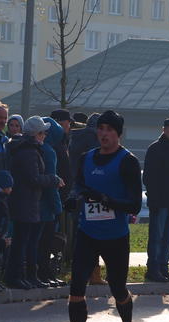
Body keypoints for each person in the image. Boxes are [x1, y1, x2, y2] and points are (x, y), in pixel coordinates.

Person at [59, 110, 142, 322]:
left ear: (118, 134)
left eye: (109, 130)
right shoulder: (87, 158)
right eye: (101, 129)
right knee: (76, 289)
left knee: (118, 289)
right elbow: (79, 186)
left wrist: (106, 200)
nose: (104, 134)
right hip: (88, 233)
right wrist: (73, 198)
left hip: (115, 237)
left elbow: (135, 205)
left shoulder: (128, 161)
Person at [5, 116, 63, 289]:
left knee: (24, 242)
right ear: (35, 134)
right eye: (42, 132)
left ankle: (24, 276)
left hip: (26, 201)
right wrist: (53, 179)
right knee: (22, 243)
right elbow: (33, 178)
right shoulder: (30, 152)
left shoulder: (27, 149)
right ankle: (16, 276)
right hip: (26, 202)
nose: (44, 135)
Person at [142, 117, 169, 282]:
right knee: (157, 237)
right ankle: (153, 269)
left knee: (168, 238)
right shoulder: (156, 148)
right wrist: (155, 198)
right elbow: (148, 178)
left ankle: (163, 268)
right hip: (160, 203)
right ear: (164, 130)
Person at [68, 112, 106, 285]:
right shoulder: (95, 141)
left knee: (80, 235)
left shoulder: (75, 138)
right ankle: (94, 274)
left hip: (77, 191)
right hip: (92, 193)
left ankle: (79, 272)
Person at [37, 117, 65, 287]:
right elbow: (52, 182)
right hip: (47, 206)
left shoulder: (36, 148)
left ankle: (40, 272)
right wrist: (57, 207)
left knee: (36, 242)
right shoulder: (49, 152)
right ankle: (45, 273)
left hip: (34, 203)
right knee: (46, 242)